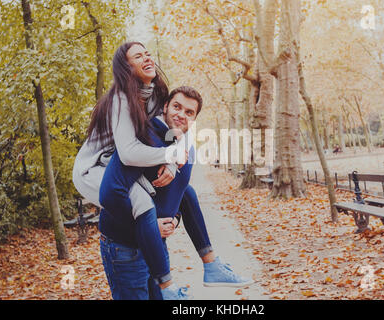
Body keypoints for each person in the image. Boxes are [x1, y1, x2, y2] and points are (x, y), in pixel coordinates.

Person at [72, 42, 251, 300]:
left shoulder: (154, 94)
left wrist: (171, 165)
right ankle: (167, 287)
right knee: (142, 202)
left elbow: (165, 135)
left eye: (147, 53)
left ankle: (210, 264)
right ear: (126, 66)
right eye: (138, 56)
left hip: (125, 168)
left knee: (185, 189)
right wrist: (169, 156)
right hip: (95, 169)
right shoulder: (121, 99)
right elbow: (130, 152)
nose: (147, 58)